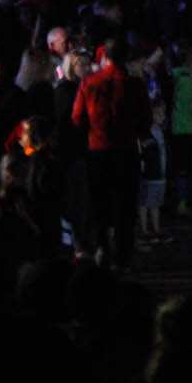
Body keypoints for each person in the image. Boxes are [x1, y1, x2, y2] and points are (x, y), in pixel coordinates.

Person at [70, 42, 135, 265]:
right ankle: (123, 256)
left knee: (99, 203)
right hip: (126, 150)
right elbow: (144, 118)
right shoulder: (132, 83)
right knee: (125, 206)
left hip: (97, 150)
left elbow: (77, 118)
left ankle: (102, 249)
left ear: (105, 56)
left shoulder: (90, 83)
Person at [167, 42, 192, 216]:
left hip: (183, 126)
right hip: (184, 127)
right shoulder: (185, 76)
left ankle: (182, 202)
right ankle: (182, 203)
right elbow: (188, 102)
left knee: (184, 168)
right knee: (184, 168)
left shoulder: (179, 75)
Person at [136, 97, 169, 244]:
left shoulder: (158, 131)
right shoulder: (147, 132)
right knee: (145, 202)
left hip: (159, 175)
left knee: (155, 203)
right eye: (158, 114)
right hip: (150, 175)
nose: (161, 117)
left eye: (163, 114)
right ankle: (145, 230)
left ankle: (156, 228)